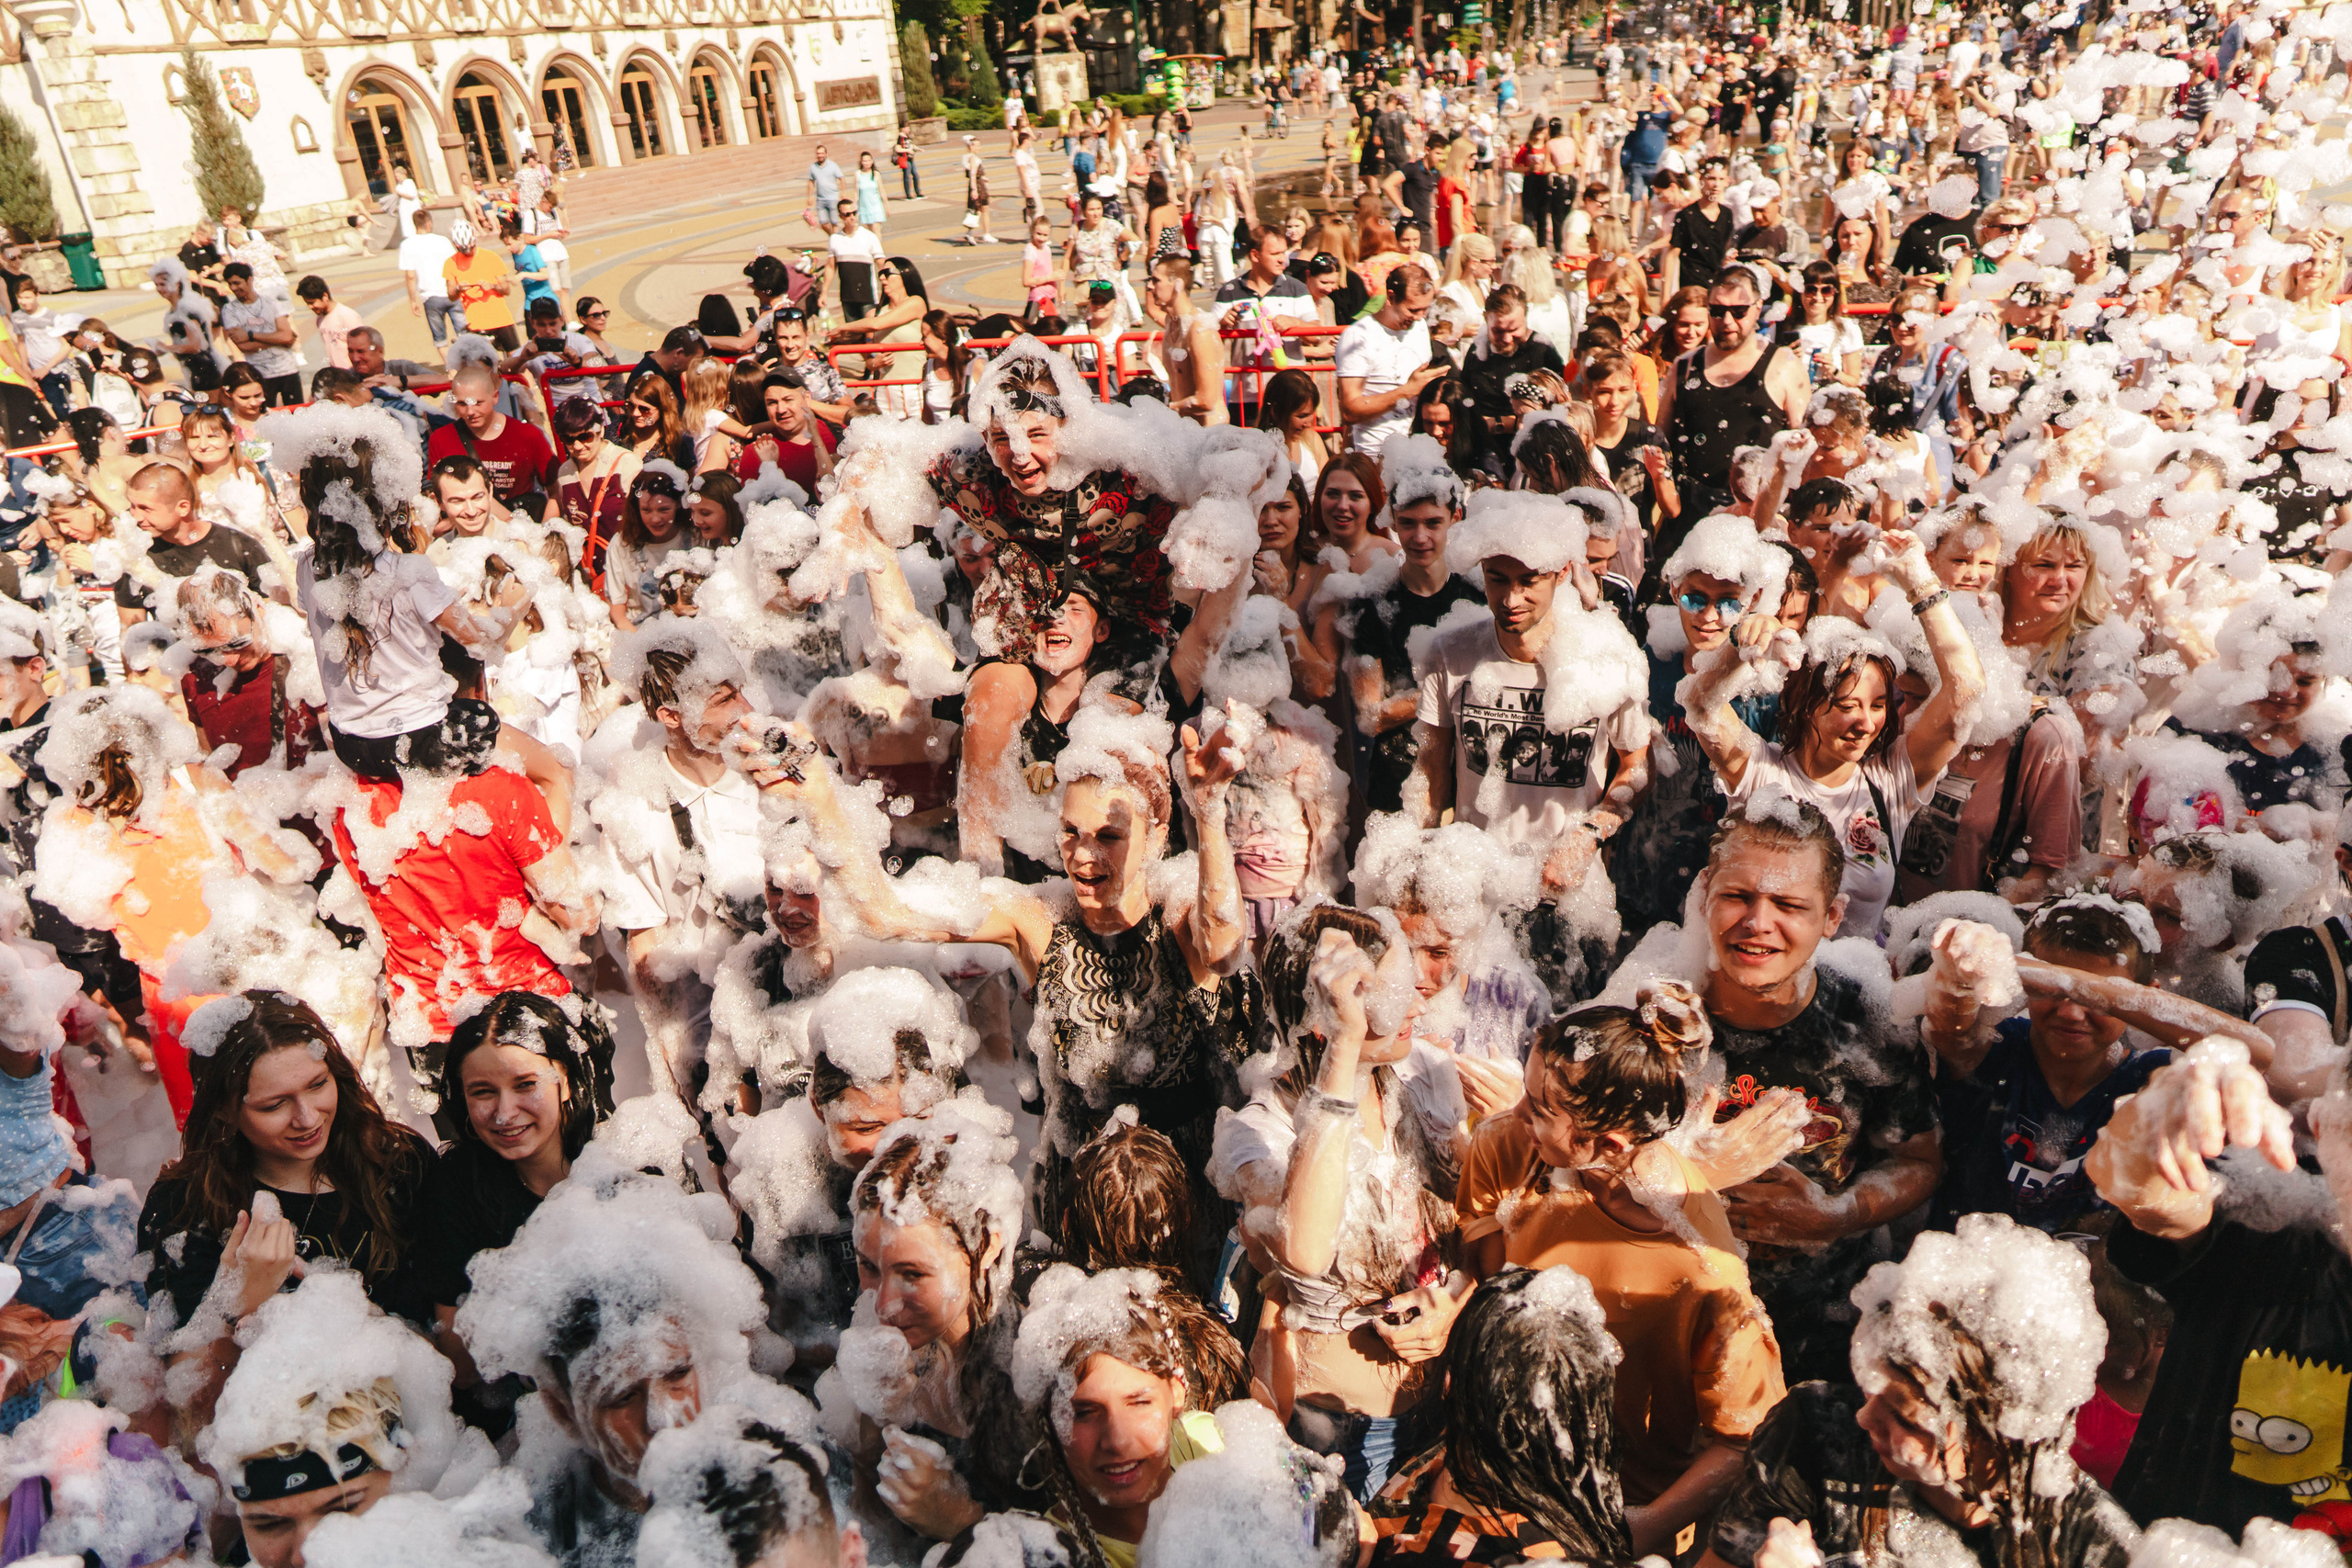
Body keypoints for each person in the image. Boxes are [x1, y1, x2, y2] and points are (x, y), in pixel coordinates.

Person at [1702, 1214, 2140, 1568]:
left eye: (1905, 1417)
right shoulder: (1815, 1429)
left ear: (1998, 1436)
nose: (1863, 1418)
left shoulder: (2086, 1543)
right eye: (1870, 1387)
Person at [1681, 528, 1986, 941]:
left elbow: (1965, 692)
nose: (1866, 722)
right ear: (1807, 708)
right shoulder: (1762, 774)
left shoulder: (1888, 782)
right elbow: (1701, 708)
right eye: (1846, 706)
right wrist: (1739, 643)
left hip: (1856, 982)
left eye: (1877, 705)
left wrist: (1921, 585)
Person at [1921, 897, 2273, 1235]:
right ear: (2027, 984)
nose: (2073, 1012)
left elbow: (2256, 1053)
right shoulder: (1994, 1048)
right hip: (1959, 1269)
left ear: (2142, 998)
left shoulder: (2150, 1079)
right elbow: (1948, 1015)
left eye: (2099, 1000)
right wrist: (1987, 961)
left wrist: (2070, 982)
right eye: (2052, 990)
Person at [1657, 266, 1809, 524]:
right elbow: (1661, 445)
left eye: (1739, 311)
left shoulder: (1784, 366)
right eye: (1717, 311)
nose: (1727, 320)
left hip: (1760, 516)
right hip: (1695, 518)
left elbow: (1804, 454)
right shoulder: (1684, 368)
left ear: (1758, 307)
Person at [426, 362, 558, 516]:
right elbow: (437, 496)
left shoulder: (528, 435)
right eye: (462, 404)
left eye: (478, 403)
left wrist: (546, 534)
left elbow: (556, 491)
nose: (471, 412)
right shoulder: (442, 439)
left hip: (520, 526)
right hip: (467, 527)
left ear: (495, 397)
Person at [1336, 266, 1442, 456]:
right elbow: (1349, 410)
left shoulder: (1420, 327)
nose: (1419, 317)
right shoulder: (1358, 336)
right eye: (1413, 309)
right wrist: (1407, 391)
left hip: (1417, 450)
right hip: (1374, 453)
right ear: (1391, 297)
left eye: (1425, 309)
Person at [218, 264, 301, 407]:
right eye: (230, 284)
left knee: (298, 413)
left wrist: (250, 334)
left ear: (249, 280)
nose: (233, 288)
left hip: (288, 369)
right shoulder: (229, 310)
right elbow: (243, 346)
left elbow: (287, 337)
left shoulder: (271, 303)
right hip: (260, 375)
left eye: (237, 283)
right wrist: (278, 339)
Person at [441, 220, 518, 352]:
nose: (467, 253)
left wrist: (492, 286)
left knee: (516, 357)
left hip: (501, 319)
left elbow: (506, 289)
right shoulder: (451, 263)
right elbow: (451, 296)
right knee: (482, 365)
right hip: (476, 323)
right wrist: (459, 289)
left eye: (470, 249)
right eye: (463, 250)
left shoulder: (491, 257)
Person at [295, 274, 365, 372]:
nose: (310, 307)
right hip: (337, 374)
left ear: (325, 296)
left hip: (354, 372)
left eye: (312, 302)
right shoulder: (320, 319)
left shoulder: (347, 316)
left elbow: (363, 346)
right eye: (307, 304)